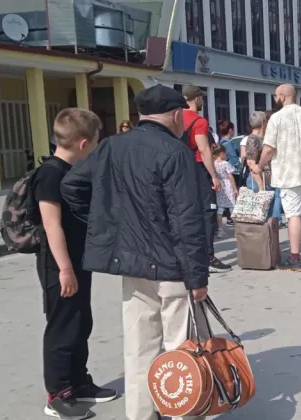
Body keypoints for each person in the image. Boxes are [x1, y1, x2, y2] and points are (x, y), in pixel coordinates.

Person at [60, 85, 211, 420]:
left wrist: (107, 222)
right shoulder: (175, 152)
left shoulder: (112, 146)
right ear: (175, 116)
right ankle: (181, 414)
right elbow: (187, 220)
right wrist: (198, 277)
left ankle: (141, 414)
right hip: (173, 267)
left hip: (131, 263)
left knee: (139, 348)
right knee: (180, 350)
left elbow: (71, 185)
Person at [35, 108, 115, 420]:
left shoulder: (73, 171)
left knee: (81, 322)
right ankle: (57, 394)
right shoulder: (51, 173)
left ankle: (79, 383)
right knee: (62, 329)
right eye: (95, 143)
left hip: (78, 261)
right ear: (83, 144)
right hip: (59, 265)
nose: (96, 149)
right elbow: (52, 226)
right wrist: (65, 269)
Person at [250, 84, 301, 272]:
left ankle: (295, 259)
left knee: (293, 215)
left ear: (283, 97)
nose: (274, 98)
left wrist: (260, 166)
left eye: (276, 95)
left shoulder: (276, 119)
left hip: (288, 173)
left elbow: (269, 148)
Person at [182, 85, 231, 272]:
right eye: (201, 97)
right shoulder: (199, 121)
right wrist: (214, 176)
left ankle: (188, 256)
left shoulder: (174, 118)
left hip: (179, 170)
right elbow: (204, 150)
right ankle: (208, 256)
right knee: (208, 213)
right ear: (196, 99)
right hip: (198, 170)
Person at [245, 111, 283, 223]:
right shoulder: (253, 139)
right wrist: (261, 187)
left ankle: (270, 238)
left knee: (268, 217)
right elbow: (251, 164)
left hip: (268, 181)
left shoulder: (263, 138)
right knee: (260, 217)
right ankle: (263, 238)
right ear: (262, 122)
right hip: (259, 181)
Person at [213, 146, 238, 234]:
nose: (226, 155)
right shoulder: (225, 164)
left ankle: (220, 229)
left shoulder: (214, 164)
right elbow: (231, 176)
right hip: (228, 185)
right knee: (232, 208)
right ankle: (236, 230)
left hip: (220, 186)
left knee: (220, 209)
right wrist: (235, 188)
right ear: (221, 154)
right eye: (225, 153)